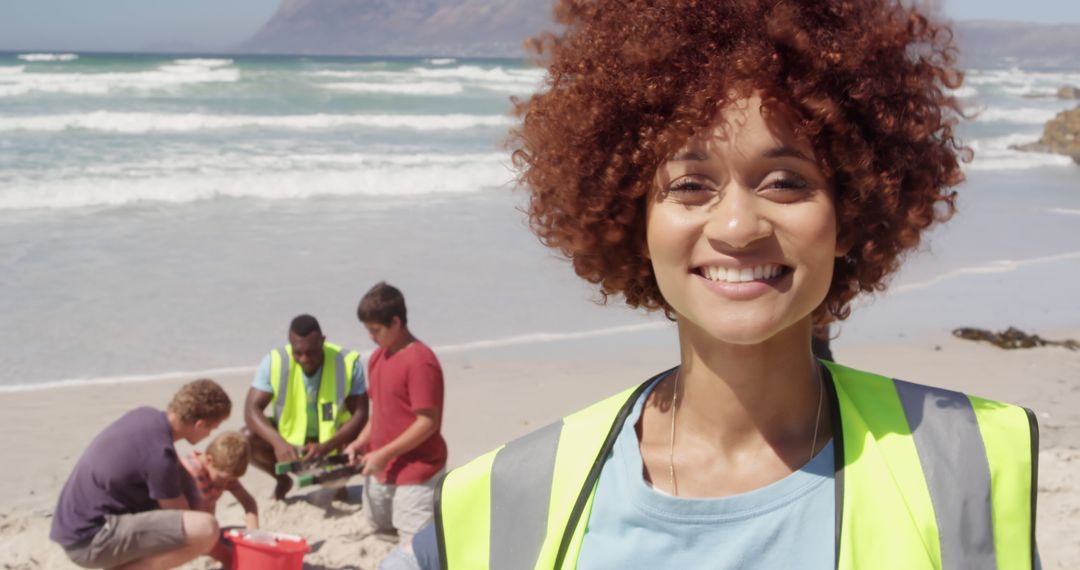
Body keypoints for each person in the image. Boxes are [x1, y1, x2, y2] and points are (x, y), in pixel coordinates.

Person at [432, 1, 1039, 569]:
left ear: (849, 215)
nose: (736, 227)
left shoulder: (972, 462)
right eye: (690, 185)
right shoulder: (498, 497)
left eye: (783, 181)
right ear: (633, 221)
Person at [50, 379, 232, 570]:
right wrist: (226, 556)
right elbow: (186, 519)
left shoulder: (146, 417)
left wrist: (197, 500)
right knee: (205, 529)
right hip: (89, 541)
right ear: (200, 424)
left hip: (77, 527)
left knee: (194, 518)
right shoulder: (159, 455)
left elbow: (181, 476)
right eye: (212, 428)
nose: (210, 434)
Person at [343, 282, 447, 569]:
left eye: (376, 330)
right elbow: (381, 412)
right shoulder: (378, 357)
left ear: (396, 322)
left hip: (417, 468)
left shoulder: (420, 361)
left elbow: (428, 422)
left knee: (415, 547)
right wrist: (360, 443)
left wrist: (382, 454)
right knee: (377, 525)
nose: (371, 337)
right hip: (382, 467)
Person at [244, 314, 368, 500]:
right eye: (298, 353)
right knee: (246, 438)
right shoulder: (275, 362)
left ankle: (339, 483)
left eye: (311, 352)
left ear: (322, 341)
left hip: (332, 439)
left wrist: (326, 446)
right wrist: (278, 443)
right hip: (290, 440)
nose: (304, 359)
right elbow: (251, 409)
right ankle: (283, 480)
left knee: (362, 433)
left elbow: (361, 413)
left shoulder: (347, 363)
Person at [179, 431, 259, 567]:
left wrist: (254, 536)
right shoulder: (191, 472)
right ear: (209, 460)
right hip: (184, 536)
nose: (225, 483)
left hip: (207, 534)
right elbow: (199, 523)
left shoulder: (222, 470)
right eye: (223, 478)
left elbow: (248, 502)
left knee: (243, 536)